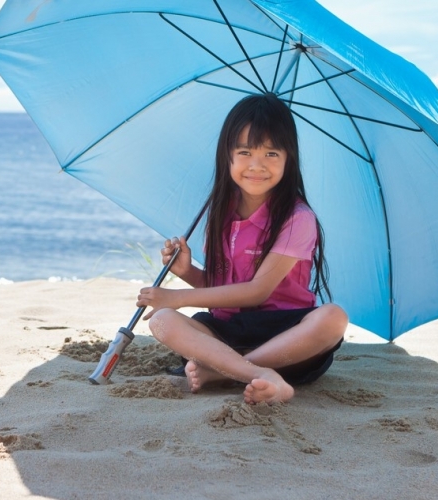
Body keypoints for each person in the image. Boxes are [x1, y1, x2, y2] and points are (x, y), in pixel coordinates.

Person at [136, 93, 348, 405]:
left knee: (333, 317)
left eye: (272, 154)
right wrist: (188, 272)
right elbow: (223, 289)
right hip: (227, 335)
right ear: (228, 156)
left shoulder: (298, 218)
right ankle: (250, 371)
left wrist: (178, 297)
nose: (257, 165)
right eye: (245, 151)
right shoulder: (222, 212)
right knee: (162, 320)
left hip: (285, 341)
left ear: (290, 159)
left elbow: (256, 292)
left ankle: (227, 372)